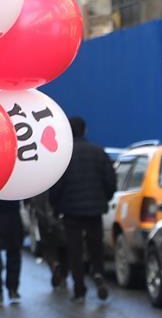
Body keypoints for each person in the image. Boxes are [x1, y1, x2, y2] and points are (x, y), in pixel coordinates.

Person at [49, 116, 116, 303]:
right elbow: (110, 180)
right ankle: (99, 274)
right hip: (95, 210)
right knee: (96, 246)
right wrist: (104, 198)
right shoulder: (98, 151)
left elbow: (56, 185)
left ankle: (79, 289)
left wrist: (56, 207)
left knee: (75, 251)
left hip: (71, 212)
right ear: (85, 130)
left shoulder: (63, 156)